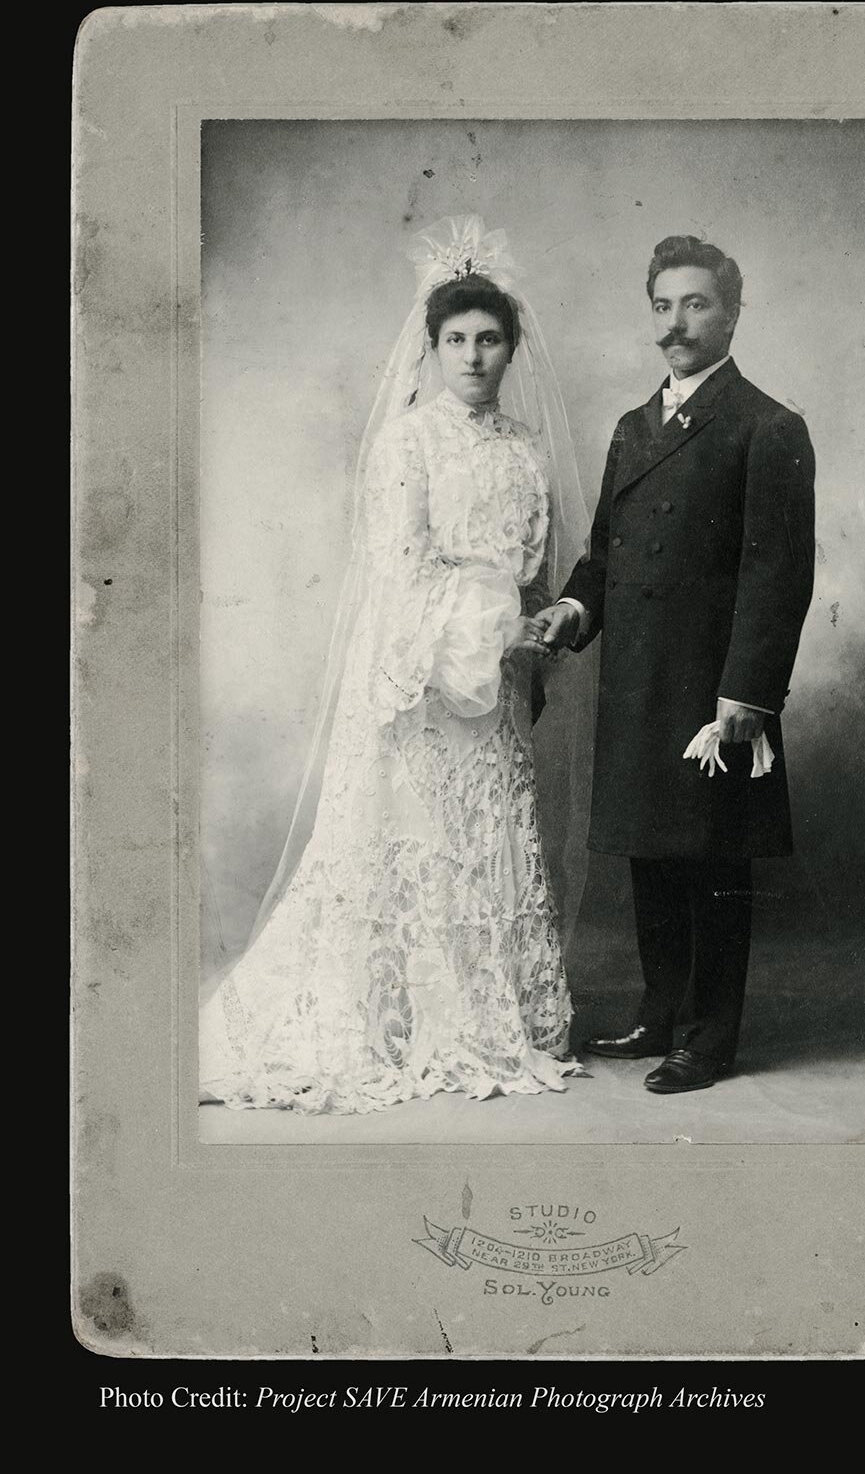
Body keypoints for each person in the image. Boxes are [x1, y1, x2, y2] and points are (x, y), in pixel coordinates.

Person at [200, 217, 589, 1114]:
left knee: (483, 845)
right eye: (455, 340)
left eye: (489, 340)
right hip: (425, 673)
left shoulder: (528, 447)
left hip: (494, 682)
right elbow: (397, 565)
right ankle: (397, 1020)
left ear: (511, 348)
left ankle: (492, 1015)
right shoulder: (408, 440)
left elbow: (532, 565)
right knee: (416, 843)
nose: (473, 356)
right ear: (432, 349)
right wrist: (466, 639)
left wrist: (522, 637)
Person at [537, 234, 816, 1096]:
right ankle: (661, 1010)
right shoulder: (633, 427)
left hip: (710, 692)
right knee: (651, 856)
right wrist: (574, 609)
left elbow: (780, 575)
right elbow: (605, 560)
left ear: (731, 312)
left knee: (709, 860)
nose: (676, 323)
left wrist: (748, 694)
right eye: (663, 305)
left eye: (695, 304)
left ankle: (709, 1036)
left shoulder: (767, 426)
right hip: (638, 683)